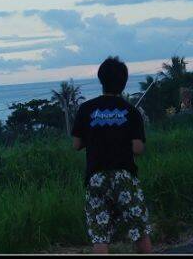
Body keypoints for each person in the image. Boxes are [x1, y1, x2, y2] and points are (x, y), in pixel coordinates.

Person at [71, 56, 152, 254]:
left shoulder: (86, 109)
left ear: (101, 80)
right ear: (124, 82)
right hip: (124, 177)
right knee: (139, 230)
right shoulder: (131, 111)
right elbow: (138, 149)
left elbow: (76, 144)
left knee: (100, 235)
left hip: (96, 177)